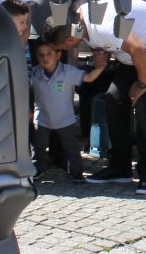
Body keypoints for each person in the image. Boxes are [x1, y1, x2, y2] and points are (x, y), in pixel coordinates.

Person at [57, 0, 146, 196]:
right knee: (114, 98)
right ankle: (120, 167)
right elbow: (104, 43)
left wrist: (142, 84)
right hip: (133, 54)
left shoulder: (105, 24)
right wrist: (100, 53)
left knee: (143, 103)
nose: (70, 50)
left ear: (72, 35)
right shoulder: (79, 20)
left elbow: (139, 48)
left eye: (67, 46)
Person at [29, 39, 106, 184]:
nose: (45, 58)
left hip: (65, 119)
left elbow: (88, 78)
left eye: (49, 54)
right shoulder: (34, 73)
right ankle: (36, 170)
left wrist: (100, 68)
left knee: (71, 148)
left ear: (58, 55)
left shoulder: (68, 71)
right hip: (42, 118)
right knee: (38, 147)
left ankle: (76, 172)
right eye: (41, 55)